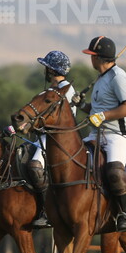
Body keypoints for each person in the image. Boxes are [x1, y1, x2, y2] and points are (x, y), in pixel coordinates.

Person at [80, 36, 126, 232]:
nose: (90, 59)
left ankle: (124, 215)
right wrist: (82, 105)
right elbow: (96, 112)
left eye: (91, 56)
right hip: (96, 134)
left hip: (118, 135)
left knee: (114, 170)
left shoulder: (118, 77)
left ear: (98, 58)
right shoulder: (101, 78)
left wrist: (103, 116)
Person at [26, 50, 76, 228]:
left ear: (53, 70)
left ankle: (45, 211)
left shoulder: (66, 91)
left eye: (46, 68)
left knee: (35, 166)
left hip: (54, 138)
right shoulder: (50, 90)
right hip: (41, 135)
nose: (45, 71)